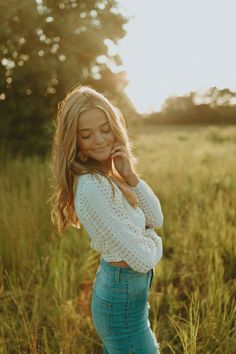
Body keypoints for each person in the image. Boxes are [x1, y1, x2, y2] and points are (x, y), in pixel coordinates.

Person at [51, 84, 164, 354]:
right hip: (121, 298)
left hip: (126, 298)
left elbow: (155, 217)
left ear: (115, 126)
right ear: (74, 142)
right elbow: (142, 259)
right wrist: (154, 241)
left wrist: (131, 176)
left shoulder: (110, 177)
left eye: (105, 129)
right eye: (86, 135)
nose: (100, 140)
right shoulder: (93, 186)